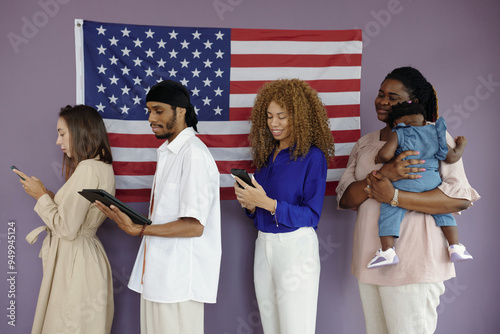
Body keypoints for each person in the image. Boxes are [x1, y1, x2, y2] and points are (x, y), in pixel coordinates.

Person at [336, 66, 480, 334]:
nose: (382, 101)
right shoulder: (365, 143)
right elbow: (346, 199)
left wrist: (395, 196)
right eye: (381, 94)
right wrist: (382, 175)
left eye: (392, 97)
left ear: (412, 103)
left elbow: (459, 200)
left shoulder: (435, 137)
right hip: (371, 259)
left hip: (414, 262)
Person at [95, 80, 221, 334]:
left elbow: (194, 226)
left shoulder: (193, 154)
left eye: (158, 110)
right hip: (157, 277)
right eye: (149, 110)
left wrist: (138, 229)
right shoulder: (168, 152)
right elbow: (166, 216)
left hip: (178, 283)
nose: (151, 118)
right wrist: (128, 220)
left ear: (181, 111)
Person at [233, 79, 335, 334]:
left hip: (295, 249)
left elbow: (311, 215)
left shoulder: (313, 157)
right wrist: (251, 204)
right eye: (268, 116)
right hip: (263, 246)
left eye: (282, 116)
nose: (273, 123)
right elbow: (261, 211)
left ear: (299, 117)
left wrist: (267, 203)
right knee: (271, 328)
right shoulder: (268, 157)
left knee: (295, 328)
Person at [14, 105, 115, 334]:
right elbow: (77, 215)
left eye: (62, 133)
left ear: (81, 131)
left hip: (75, 260)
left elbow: (67, 228)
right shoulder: (102, 166)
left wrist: (41, 196)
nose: (58, 142)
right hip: (83, 257)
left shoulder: (88, 168)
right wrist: (50, 196)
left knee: (67, 326)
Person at [367, 101, 472, 268]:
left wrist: (379, 158)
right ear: (424, 121)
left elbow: (386, 154)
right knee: (443, 212)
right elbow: (452, 157)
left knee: (390, 210)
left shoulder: (400, 131)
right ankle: (455, 246)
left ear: (396, 123)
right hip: (431, 182)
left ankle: (387, 251)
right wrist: (462, 145)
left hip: (407, 181)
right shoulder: (435, 131)